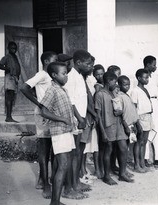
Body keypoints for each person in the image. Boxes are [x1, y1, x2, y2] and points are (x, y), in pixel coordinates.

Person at [20, 51, 57, 199]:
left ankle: (46, 179)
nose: (56, 62)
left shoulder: (51, 75)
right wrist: (39, 104)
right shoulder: (42, 74)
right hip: (43, 115)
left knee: (53, 148)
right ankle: (45, 184)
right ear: (47, 61)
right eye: (54, 60)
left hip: (52, 115)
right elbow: (24, 87)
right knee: (44, 148)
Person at [40, 62, 76, 205]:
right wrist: (62, 119)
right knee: (62, 165)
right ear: (54, 75)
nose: (66, 76)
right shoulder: (52, 90)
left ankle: (56, 200)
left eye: (67, 73)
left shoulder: (63, 90)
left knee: (63, 165)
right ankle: (54, 202)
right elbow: (43, 110)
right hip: (59, 131)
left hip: (66, 130)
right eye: (63, 73)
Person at [62, 50, 93, 198]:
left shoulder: (80, 77)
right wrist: (80, 119)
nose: (90, 66)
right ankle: (68, 189)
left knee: (76, 154)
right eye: (88, 64)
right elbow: (71, 102)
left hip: (79, 121)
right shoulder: (71, 77)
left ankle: (75, 183)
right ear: (78, 63)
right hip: (74, 121)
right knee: (71, 155)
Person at [94, 72, 133, 185]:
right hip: (108, 126)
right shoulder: (100, 94)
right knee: (108, 150)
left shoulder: (114, 93)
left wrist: (125, 124)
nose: (116, 84)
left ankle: (122, 174)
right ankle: (106, 176)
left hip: (119, 125)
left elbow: (119, 110)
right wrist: (103, 133)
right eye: (114, 82)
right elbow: (98, 116)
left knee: (123, 148)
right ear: (108, 81)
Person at [117, 75, 143, 173]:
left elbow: (132, 111)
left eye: (128, 84)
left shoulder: (127, 95)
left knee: (130, 146)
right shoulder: (119, 97)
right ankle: (122, 171)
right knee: (123, 149)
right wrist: (125, 126)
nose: (127, 87)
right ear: (119, 85)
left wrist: (137, 123)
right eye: (125, 85)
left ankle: (130, 168)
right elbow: (120, 113)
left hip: (132, 125)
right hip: (125, 126)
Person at [131, 69, 153, 172]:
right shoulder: (135, 91)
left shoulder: (145, 90)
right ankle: (137, 166)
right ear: (139, 78)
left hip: (148, 117)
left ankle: (142, 164)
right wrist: (137, 122)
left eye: (147, 77)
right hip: (140, 118)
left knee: (144, 142)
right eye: (145, 77)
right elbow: (134, 107)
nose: (147, 79)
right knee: (139, 142)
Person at [0, 41, 21, 123]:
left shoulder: (15, 57)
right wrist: (8, 69)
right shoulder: (7, 57)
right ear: (8, 49)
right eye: (12, 48)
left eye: (15, 48)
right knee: (9, 97)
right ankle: (8, 117)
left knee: (12, 98)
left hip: (14, 79)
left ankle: (9, 116)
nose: (14, 49)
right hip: (9, 78)